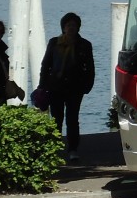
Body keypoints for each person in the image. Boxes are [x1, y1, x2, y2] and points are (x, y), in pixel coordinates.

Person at [39, 12, 95, 161]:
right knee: (56, 118)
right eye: (68, 25)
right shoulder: (54, 42)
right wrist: (41, 85)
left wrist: (88, 85)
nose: (71, 28)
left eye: (74, 25)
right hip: (55, 87)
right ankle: (55, 148)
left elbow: (90, 67)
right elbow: (46, 65)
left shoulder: (85, 45)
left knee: (72, 118)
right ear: (63, 27)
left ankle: (73, 149)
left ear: (78, 28)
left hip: (75, 88)